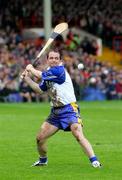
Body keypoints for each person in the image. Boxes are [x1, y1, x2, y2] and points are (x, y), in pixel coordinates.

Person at [21, 49, 101, 168]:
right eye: (51, 58)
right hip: (55, 112)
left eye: (56, 58)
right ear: (47, 60)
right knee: (40, 138)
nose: (54, 60)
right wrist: (27, 79)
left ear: (60, 61)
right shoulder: (49, 74)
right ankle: (43, 161)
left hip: (69, 109)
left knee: (77, 134)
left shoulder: (59, 71)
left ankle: (95, 162)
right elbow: (39, 90)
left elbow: (40, 74)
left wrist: (30, 69)